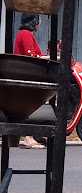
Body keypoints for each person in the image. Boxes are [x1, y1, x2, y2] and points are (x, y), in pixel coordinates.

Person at [14, 14, 45, 149]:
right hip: (25, 75)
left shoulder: (26, 34)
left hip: (26, 74)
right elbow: (31, 56)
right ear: (33, 22)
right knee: (29, 106)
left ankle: (32, 135)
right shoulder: (25, 34)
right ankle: (28, 138)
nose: (39, 24)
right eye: (38, 22)